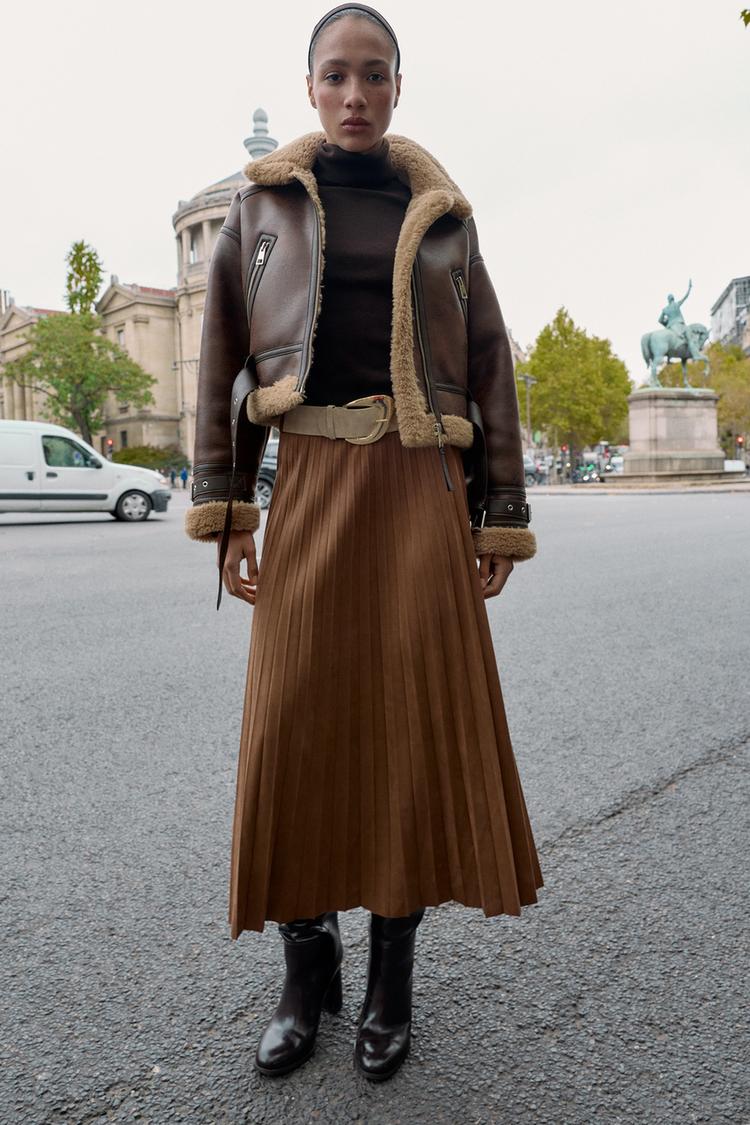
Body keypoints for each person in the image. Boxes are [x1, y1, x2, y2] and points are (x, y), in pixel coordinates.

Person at [185, 2, 543, 1082]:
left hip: (421, 489)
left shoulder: (443, 219)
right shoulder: (260, 208)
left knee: (407, 730)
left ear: (397, 87)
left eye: (374, 74)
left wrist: (498, 509)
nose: (355, 93)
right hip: (309, 483)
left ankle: (393, 975)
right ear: (310, 87)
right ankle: (309, 966)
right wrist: (228, 511)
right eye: (336, 74)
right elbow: (222, 359)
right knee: (295, 720)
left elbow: (490, 362)